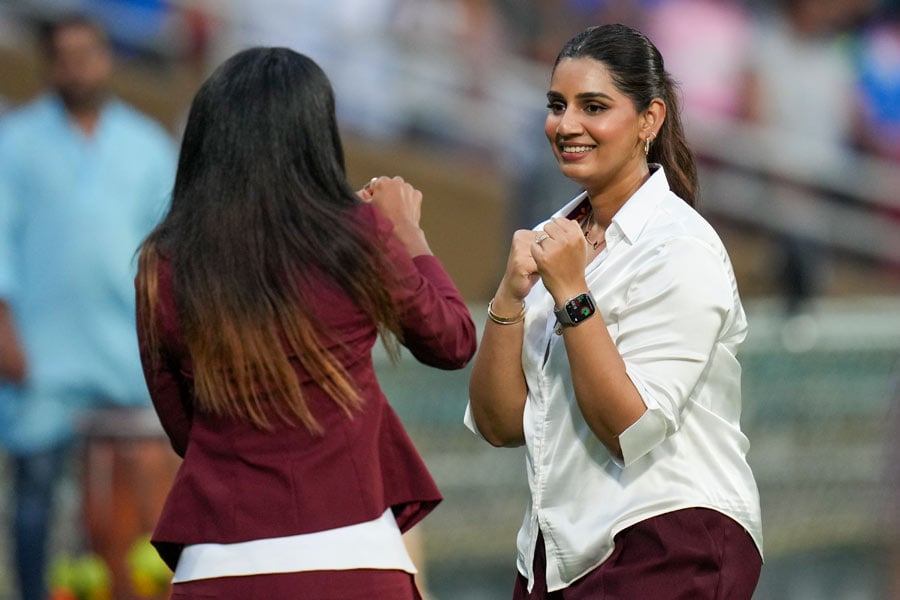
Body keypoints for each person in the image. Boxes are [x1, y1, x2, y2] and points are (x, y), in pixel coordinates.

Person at [133, 46, 477, 600]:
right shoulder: (358, 236)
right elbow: (453, 340)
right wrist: (407, 232)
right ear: (315, 140)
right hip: (357, 556)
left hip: (217, 563)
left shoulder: (163, 263)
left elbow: (184, 428)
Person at [466, 24, 763, 599]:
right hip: (559, 554)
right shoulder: (555, 239)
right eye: (557, 105)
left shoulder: (681, 245)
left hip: (668, 539)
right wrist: (508, 298)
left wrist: (572, 293)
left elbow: (631, 428)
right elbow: (499, 425)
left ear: (650, 119)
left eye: (594, 106)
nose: (566, 124)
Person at [0, 15, 176, 600]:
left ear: (107, 58)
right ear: (49, 65)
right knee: (36, 500)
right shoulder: (14, 142)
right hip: (42, 357)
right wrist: (4, 330)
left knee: (135, 514)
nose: (78, 67)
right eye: (65, 56)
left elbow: (170, 251)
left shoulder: (147, 145)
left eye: (88, 53)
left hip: (125, 358)